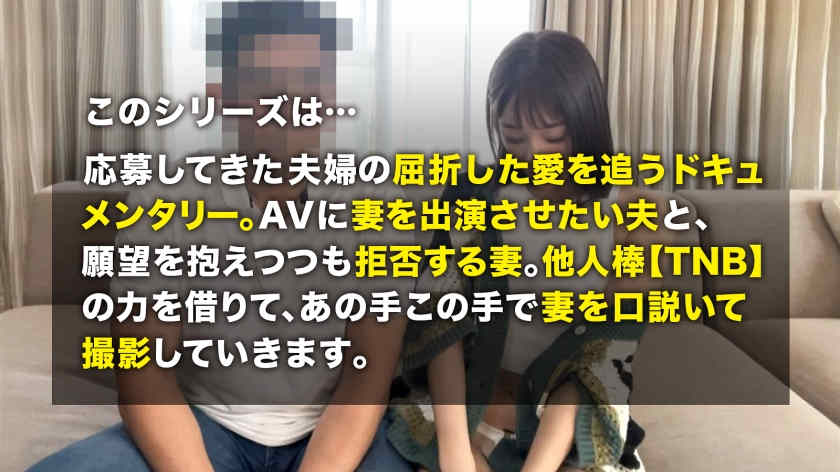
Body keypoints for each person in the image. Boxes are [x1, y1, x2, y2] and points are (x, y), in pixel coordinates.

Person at [29, 2, 414, 471]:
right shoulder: (162, 202)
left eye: (308, 83)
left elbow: (366, 378)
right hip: (202, 424)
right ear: (220, 99)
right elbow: (146, 378)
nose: (289, 105)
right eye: (266, 86)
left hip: (333, 429)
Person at [387, 30, 683, 472]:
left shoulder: (637, 219)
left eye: (553, 136)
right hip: (463, 413)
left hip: (564, 428)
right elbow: (439, 330)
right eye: (514, 136)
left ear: (585, 119)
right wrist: (456, 451)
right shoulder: (471, 196)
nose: (534, 155)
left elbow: (598, 361)